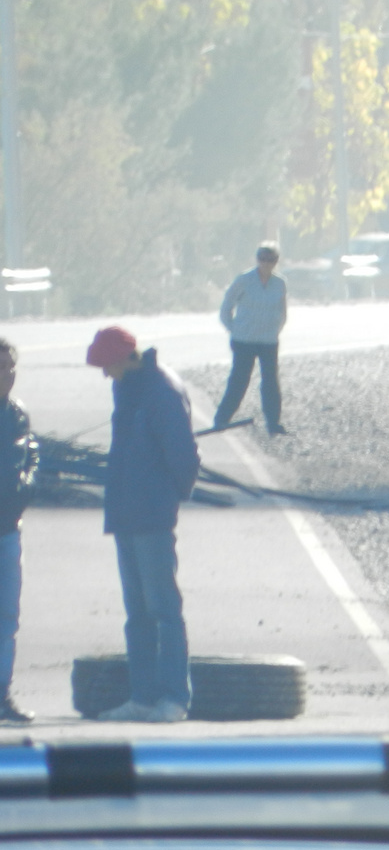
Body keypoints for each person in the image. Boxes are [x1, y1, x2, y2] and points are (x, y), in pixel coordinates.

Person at [86, 326, 200, 723]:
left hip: (151, 515)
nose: (104, 374)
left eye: (106, 366)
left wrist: (168, 499)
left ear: (123, 359)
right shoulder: (129, 387)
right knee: (137, 613)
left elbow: (184, 456)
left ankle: (173, 698)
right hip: (125, 515)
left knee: (164, 610)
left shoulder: (162, 389)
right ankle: (143, 697)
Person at [0, 339, 38, 724]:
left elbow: (31, 450)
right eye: (0, 368)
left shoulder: (17, 412)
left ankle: (2, 695)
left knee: (7, 617)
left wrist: (30, 480)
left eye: (11, 368)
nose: (7, 375)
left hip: (8, 530)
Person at [215, 242, 288, 436]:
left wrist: (274, 331)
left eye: (270, 259)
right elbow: (226, 308)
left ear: (276, 261)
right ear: (257, 260)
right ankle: (221, 419)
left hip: (268, 341)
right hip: (244, 340)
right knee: (239, 381)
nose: (266, 263)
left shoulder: (279, 284)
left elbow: (282, 312)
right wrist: (234, 330)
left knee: (270, 382)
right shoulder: (244, 280)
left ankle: (273, 423)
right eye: (262, 258)